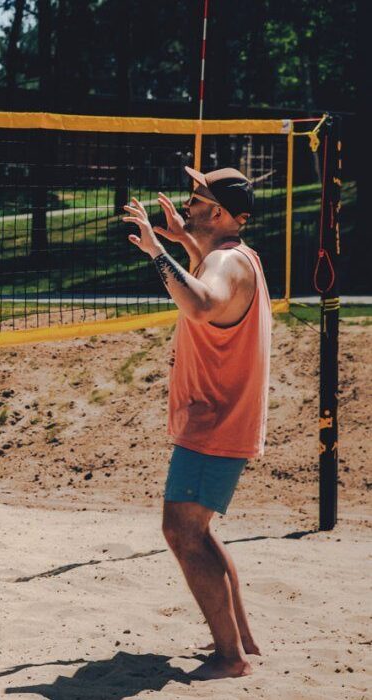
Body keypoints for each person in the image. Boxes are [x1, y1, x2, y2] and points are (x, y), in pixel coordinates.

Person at [122, 166, 270, 679]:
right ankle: (241, 641)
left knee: (182, 531)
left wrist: (156, 251)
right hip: (219, 417)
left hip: (216, 421)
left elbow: (203, 303)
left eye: (197, 198)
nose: (188, 201)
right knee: (198, 531)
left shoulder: (228, 263)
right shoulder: (228, 257)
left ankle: (231, 659)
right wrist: (185, 240)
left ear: (224, 215)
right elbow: (208, 278)